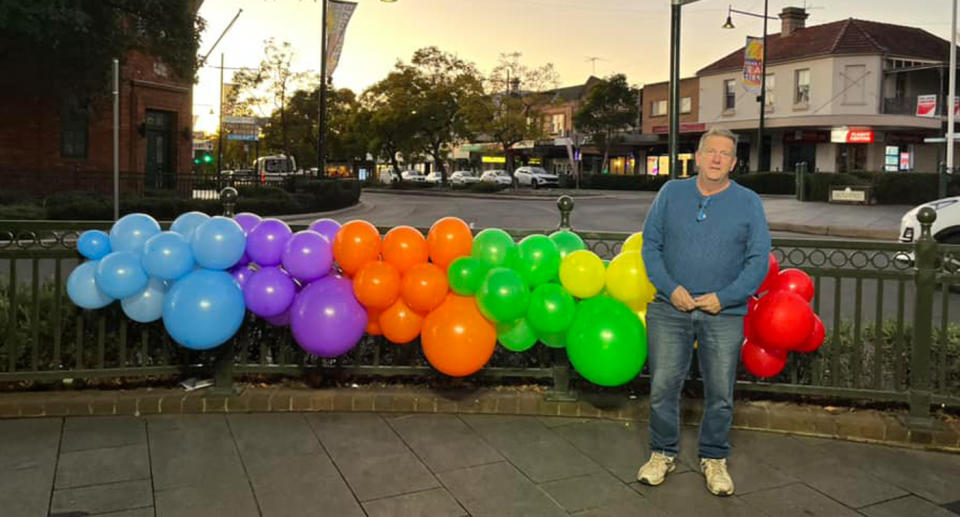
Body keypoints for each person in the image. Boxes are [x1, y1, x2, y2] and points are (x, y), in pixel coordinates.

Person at [636, 127, 771, 496]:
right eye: (710, 151)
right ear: (696, 157)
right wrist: (671, 288)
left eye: (724, 154)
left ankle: (713, 458)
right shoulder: (671, 192)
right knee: (663, 387)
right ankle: (662, 453)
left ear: (733, 162)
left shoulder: (748, 202)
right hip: (670, 309)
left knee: (720, 392)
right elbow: (651, 246)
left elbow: (759, 259)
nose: (716, 158)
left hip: (722, 313)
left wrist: (725, 297)